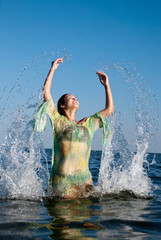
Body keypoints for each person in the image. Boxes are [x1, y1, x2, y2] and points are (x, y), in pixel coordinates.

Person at [34, 58, 114, 198]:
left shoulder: (87, 124)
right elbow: (46, 94)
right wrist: (52, 69)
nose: (75, 99)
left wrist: (106, 86)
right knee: (63, 219)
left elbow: (109, 110)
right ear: (62, 105)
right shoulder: (58, 121)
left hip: (85, 183)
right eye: (71, 98)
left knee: (88, 220)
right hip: (63, 184)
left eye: (76, 97)